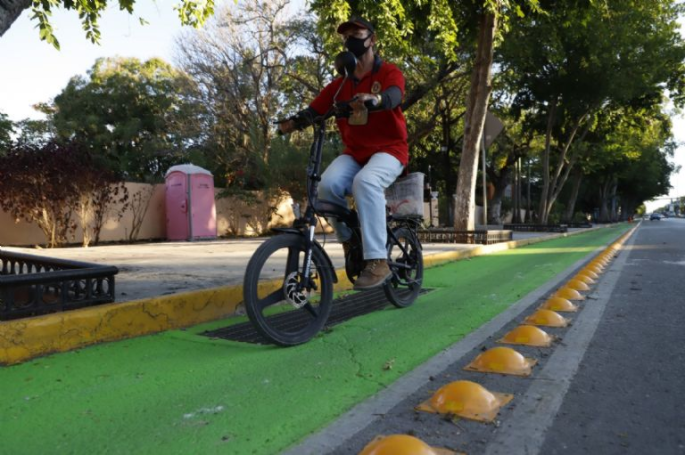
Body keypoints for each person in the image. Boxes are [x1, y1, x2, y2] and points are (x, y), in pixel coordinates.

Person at [279, 16, 408, 291]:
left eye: (356, 33)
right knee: (326, 185)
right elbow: (313, 112)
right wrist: (291, 123)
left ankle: (377, 260)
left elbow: (395, 95)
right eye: (346, 36)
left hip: (390, 150)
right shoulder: (339, 85)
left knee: (366, 182)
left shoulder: (388, 73)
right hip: (356, 153)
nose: (350, 40)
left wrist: (377, 100)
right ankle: (349, 239)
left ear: (371, 39)